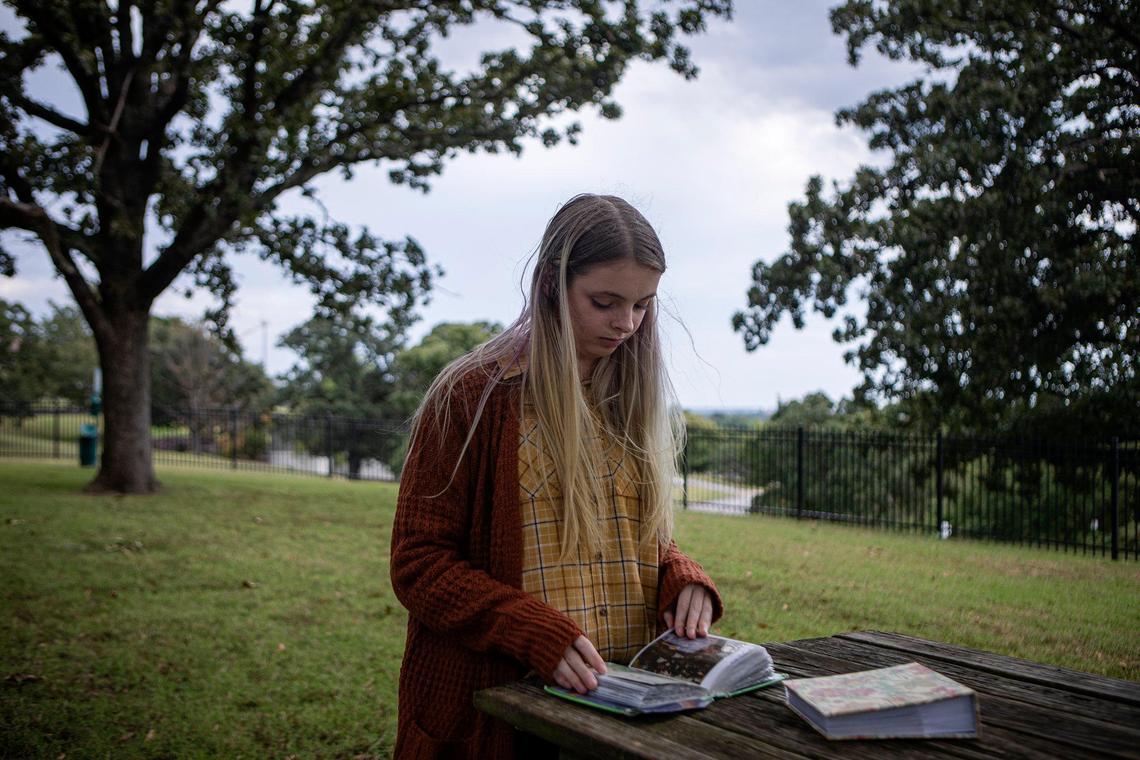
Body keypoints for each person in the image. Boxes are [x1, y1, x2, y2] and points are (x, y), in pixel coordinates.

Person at [390, 193, 723, 758]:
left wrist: (680, 575)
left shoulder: (630, 397)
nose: (626, 324)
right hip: (509, 721)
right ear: (549, 284)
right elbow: (418, 563)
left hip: (626, 714)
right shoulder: (472, 395)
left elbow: (626, 534)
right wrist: (527, 629)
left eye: (643, 305)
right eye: (604, 302)